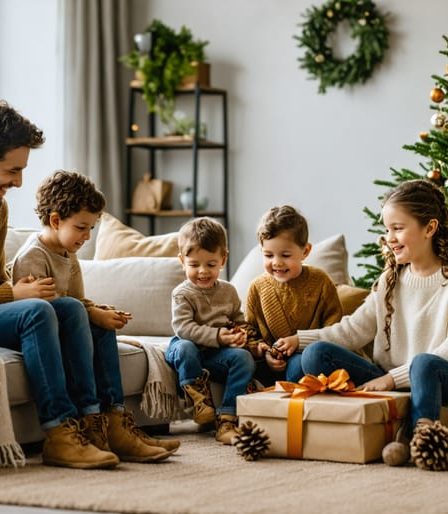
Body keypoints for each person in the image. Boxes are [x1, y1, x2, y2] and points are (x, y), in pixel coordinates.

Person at [10, 166, 179, 468]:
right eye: (81, 227)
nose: (87, 237)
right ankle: (88, 417)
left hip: (61, 318)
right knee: (82, 313)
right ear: (55, 220)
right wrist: (88, 311)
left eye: (91, 228)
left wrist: (98, 312)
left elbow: (77, 300)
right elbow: (45, 307)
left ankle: (112, 422)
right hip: (37, 326)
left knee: (99, 322)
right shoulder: (33, 256)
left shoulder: (69, 256)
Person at [290, 179, 448, 471]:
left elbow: (443, 353)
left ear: (429, 228)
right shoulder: (391, 279)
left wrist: (391, 380)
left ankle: (420, 440)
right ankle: (372, 424)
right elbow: (352, 330)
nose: (389, 237)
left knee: (424, 364)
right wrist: (297, 340)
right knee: (314, 355)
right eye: (387, 229)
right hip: (389, 379)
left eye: (398, 228)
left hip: (434, 376)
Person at [165, 217, 255, 444]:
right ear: (182, 261)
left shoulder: (229, 292)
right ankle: (198, 399)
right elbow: (183, 327)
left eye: (211, 264)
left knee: (243, 358)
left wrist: (241, 333)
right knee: (185, 347)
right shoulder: (182, 293)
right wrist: (217, 336)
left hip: (216, 353)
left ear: (223, 259)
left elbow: (237, 319)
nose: (203, 272)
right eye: (194, 265)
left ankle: (227, 419)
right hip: (188, 347)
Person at [245, 205, 343, 385]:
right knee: (245, 364)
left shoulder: (321, 282)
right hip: (268, 362)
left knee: (298, 366)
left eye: (285, 255)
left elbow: (334, 327)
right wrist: (266, 353)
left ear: (305, 251)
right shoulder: (256, 288)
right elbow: (250, 332)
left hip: (306, 358)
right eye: (268, 255)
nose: (276, 262)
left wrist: (300, 342)